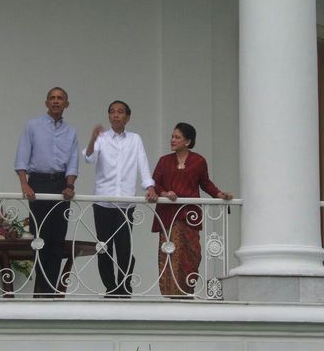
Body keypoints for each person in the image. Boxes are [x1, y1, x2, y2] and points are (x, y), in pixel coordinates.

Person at [83, 100, 157, 297]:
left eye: (120, 112)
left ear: (128, 117)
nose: (115, 115)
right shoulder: (101, 138)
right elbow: (88, 158)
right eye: (112, 112)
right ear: (109, 116)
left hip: (125, 203)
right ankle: (110, 288)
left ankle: (124, 287)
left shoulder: (135, 139)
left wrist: (149, 186)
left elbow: (142, 163)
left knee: (124, 248)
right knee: (104, 248)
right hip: (103, 202)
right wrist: (92, 138)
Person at [152, 122, 232, 297]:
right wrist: (165, 193)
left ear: (187, 141)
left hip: (189, 216)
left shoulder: (198, 161)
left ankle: (187, 292)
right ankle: (171, 295)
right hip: (169, 216)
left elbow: (205, 183)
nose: (172, 140)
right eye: (172, 136)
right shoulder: (164, 161)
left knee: (192, 255)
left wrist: (219, 194)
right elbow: (154, 184)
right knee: (170, 255)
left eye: (177, 137)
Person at [14, 87, 79, 297]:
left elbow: (73, 162)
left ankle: (49, 291)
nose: (56, 101)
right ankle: (41, 290)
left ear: (66, 104)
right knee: (40, 238)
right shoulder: (32, 126)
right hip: (38, 183)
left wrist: (69, 185)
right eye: (52, 98)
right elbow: (22, 156)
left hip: (60, 185)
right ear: (46, 102)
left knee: (57, 239)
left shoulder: (70, 132)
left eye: (60, 98)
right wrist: (25, 184)